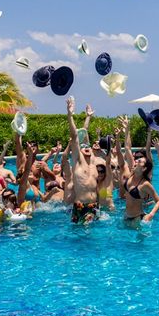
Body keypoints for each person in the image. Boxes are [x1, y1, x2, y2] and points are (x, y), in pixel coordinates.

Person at [66, 96, 99, 224]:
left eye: (88, 146)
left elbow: (83, 134)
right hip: (81, 206)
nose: (86, 147)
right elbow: (75, 137)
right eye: (83, 147)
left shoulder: (93, 162)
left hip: (94, 206)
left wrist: (88, 117)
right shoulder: (78, 161)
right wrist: (70, 116)